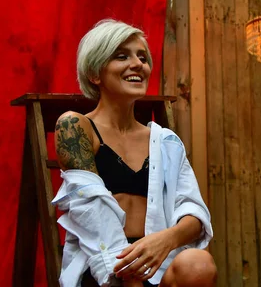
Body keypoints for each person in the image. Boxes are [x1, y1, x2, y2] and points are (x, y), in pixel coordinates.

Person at [51, 19, 216, 287]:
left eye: (143, 57)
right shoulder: (76, 127)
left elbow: (193, 211)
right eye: (122, 56)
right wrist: (128, 276)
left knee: (198, 264)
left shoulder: (166, 141)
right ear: (95, 73)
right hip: (102, 266)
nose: (138, 64)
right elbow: (91, 213)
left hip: (157, 263)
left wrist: (167, 239)